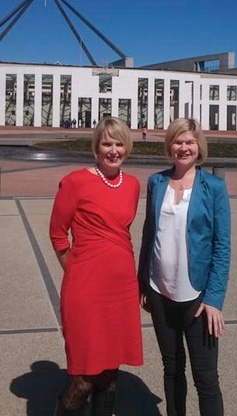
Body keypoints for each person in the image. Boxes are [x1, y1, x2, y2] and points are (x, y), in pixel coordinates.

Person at [50, 116, 143, 416]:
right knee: (83, 378)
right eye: (106, 143)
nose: (113, 150)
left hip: (121, 290)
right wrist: (76, 270)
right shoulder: (76, 181)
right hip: (86, 290)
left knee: (110, 376)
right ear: (96, 147)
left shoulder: (132, 185)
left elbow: (122, 233)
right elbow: (57, 232)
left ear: (127, 147)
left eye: (119, 144)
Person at [138, 118, 231, 416]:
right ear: (170, 146)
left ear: (198, 146)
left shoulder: (213, 187)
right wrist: (144, 283)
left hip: (198, 297)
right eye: (178, 141)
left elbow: (222, 246)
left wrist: (214, 299)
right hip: (160, 291)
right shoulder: (157, 182)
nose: (183, 147)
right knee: (172, 368)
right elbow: (148, 234)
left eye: (189, 142)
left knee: (206, 379)